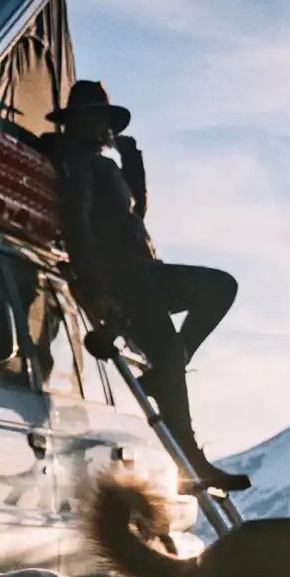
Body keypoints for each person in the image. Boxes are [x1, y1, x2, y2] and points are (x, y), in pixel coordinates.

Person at [45, 80, 250, 493]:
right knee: (216, 290)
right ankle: (189, 460)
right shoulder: (78, 165)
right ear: (76, 122)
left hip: (141, 274)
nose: (100, 126)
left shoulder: (99, 163)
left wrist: (131, 157)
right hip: (126, 277)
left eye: (103, 119)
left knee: (186, 335)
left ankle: (182, 437)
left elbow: (134, 207)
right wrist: (96, 286)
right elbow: (78, 225)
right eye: (93, 117)